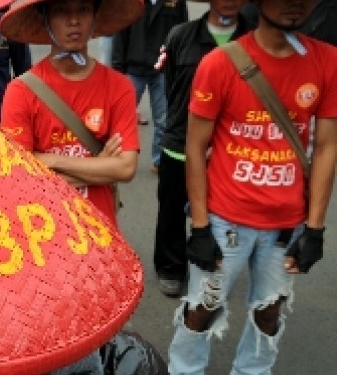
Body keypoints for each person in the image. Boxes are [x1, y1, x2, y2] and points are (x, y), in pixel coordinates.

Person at [168, 0, 337, 372]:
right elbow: (195, 147)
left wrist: (315, 229)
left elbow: (326, 147)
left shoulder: (328, 61)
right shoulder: (220, 63)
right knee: (201, 310)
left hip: (286, 226)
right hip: (224, 222)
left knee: (270, 312)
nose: (295, 6)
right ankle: (184, 369)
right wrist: (199, 226)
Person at [0, 0, 143, 227]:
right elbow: (20, 175)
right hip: (45, 230)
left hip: (101, 227)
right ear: (45, 19)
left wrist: (50, 160)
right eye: (61, 10)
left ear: (95, 16)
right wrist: (100, 165)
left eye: (83, 10)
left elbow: (125, 168)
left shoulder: (119, 86)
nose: (73, 21)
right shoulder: (21, 91)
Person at [152, 0, 252, 297]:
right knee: (171, 211)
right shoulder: (180, 36)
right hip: (180, 144)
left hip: (230, 151)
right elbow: (171, 89)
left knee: (224, 215)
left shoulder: (255, 39)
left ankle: (215, 263)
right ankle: (170, 267)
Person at [112, 0, 188, 173]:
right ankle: (116, 157)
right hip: (133, 66)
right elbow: (121, 33)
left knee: (163, 119)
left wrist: (179, 66)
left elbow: (183, 31)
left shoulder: (177, 1)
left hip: (162, 68)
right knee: (120, 117)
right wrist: (118, 68)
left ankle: (159, 160)